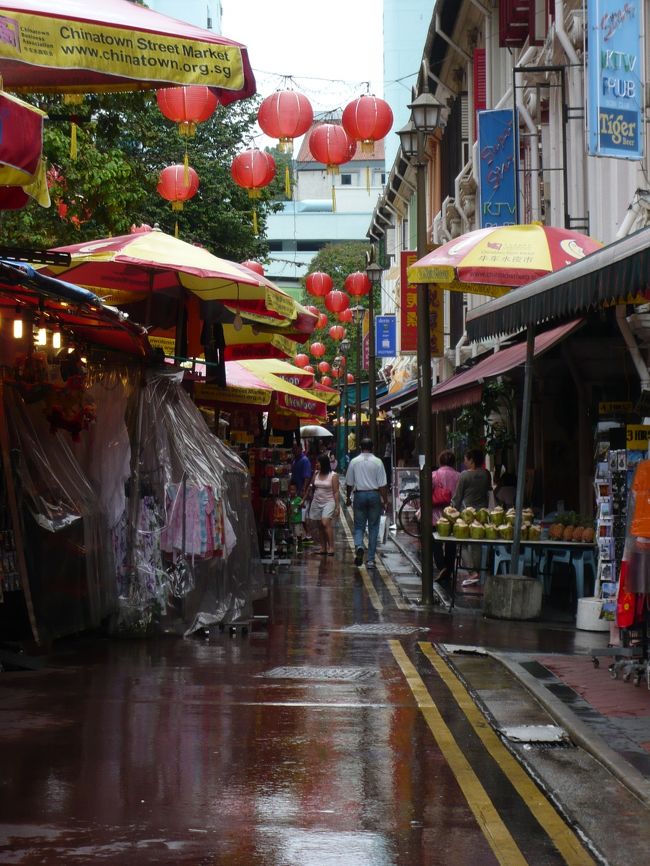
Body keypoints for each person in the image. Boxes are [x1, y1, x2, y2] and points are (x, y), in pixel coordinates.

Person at [345, 437, 389, 568]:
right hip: (374, 494)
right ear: (372, 447)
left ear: (360, 447)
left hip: (359, 495)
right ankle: (370, 560)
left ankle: (359, 545)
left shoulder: (354, 461)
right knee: (373, 527)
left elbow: (349, 483)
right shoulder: (378, 462)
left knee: (359, 526)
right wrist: (385, 500)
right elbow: (382, 485)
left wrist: (348, 497)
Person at [451, 448, 492, 585]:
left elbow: (457, 497)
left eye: (466, 459)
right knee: (477, 544)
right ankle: (478, 572)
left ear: (472, 460)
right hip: (482, 514)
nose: (464, 462)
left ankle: (472, 572)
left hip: (466, 514)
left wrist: (452, 512)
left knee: (461, 544)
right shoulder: (486, 474)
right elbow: (489, 493)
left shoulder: (464, 476)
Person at [432, 449, 461, 586]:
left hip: (436, 514)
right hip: (453, 514)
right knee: (451, 542)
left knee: (435, 542)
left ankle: (441, 566)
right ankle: (448, 569)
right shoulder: (459, 476)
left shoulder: (434, 475)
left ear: (440, 461)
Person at [307, 454, 340, 555]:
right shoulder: (316, 473)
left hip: (329, 502)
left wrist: (337, 506)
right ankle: (323, 547)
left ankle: (331, 547)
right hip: (317, 501)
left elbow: (336, 492)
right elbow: (312, 485)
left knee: (325, 522)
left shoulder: (333, 476)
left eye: (318, 462)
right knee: (320, 525)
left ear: (324, 463)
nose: (317, 464)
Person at [291, 442, 314, 544]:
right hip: (296, 491)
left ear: (300, 448)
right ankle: (302, 534)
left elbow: (307, 477)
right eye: (293, 448)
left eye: (296, 448)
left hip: (302, 492)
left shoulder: (304, 461)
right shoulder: (295, 460)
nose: (294, 450)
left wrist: (303, 491)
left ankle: (308, 534)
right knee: (297, 514)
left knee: (303, 515)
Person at [287, 481, 305, 552]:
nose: (292, 491)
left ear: (296, 490)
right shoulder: (288, 500)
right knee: (290, 534)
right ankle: (289, 547)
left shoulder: (298, 499)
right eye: (290, 490)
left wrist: (301, 505)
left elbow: (303, 506)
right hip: (290, 520)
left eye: (293, 490)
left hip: (297, 520)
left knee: (298, 533)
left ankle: (300, 545)